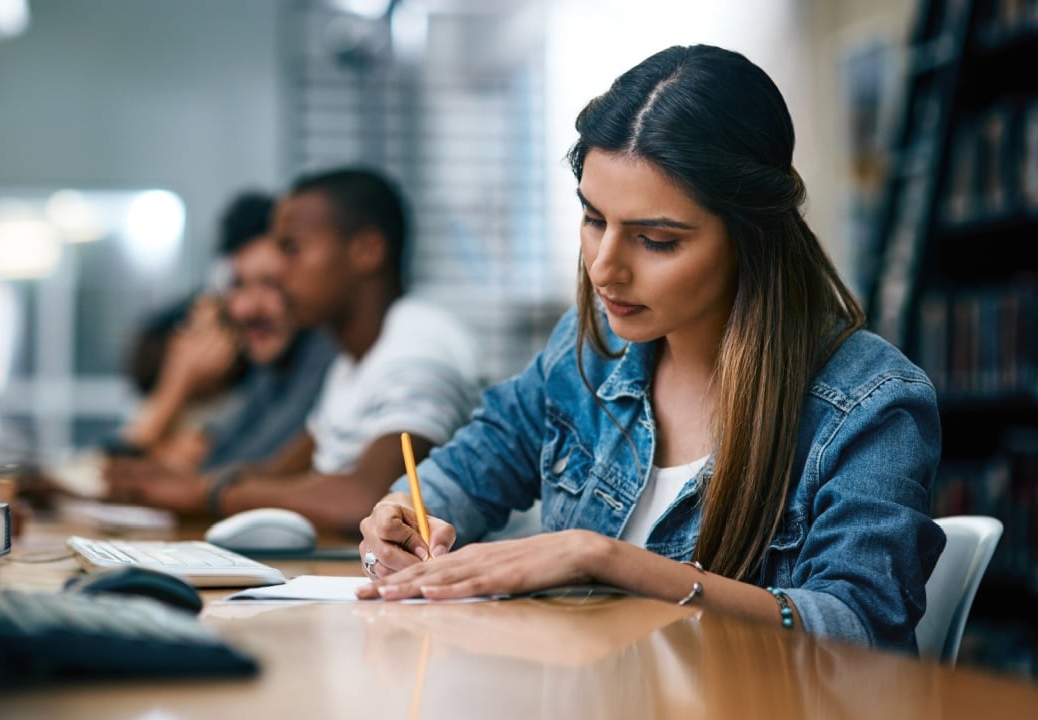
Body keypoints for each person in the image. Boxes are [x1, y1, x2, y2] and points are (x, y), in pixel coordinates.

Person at [354, 44, 946, 654]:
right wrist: (398, 516)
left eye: (656, 240)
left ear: (752, 238)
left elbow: (859, 631)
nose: (605, 268)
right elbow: (461, 475)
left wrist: (604, 559)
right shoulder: (586, 351)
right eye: (593, 218)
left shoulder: (871, 403)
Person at [106, 167, 483, 534]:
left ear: (367, 250)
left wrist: (206, 492)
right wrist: (157, 482)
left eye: (292, 249)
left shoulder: (418, 343)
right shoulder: (352, 363)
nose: (280, 274)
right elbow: (279, 472)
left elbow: (370, 500)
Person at [109, 191, 336, 474]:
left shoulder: (324, 353)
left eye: (270, 283)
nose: (245, 309)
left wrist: (177, 384)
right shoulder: (266, 371)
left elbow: (243, 474)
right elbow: (221, 463)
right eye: (237, 285)